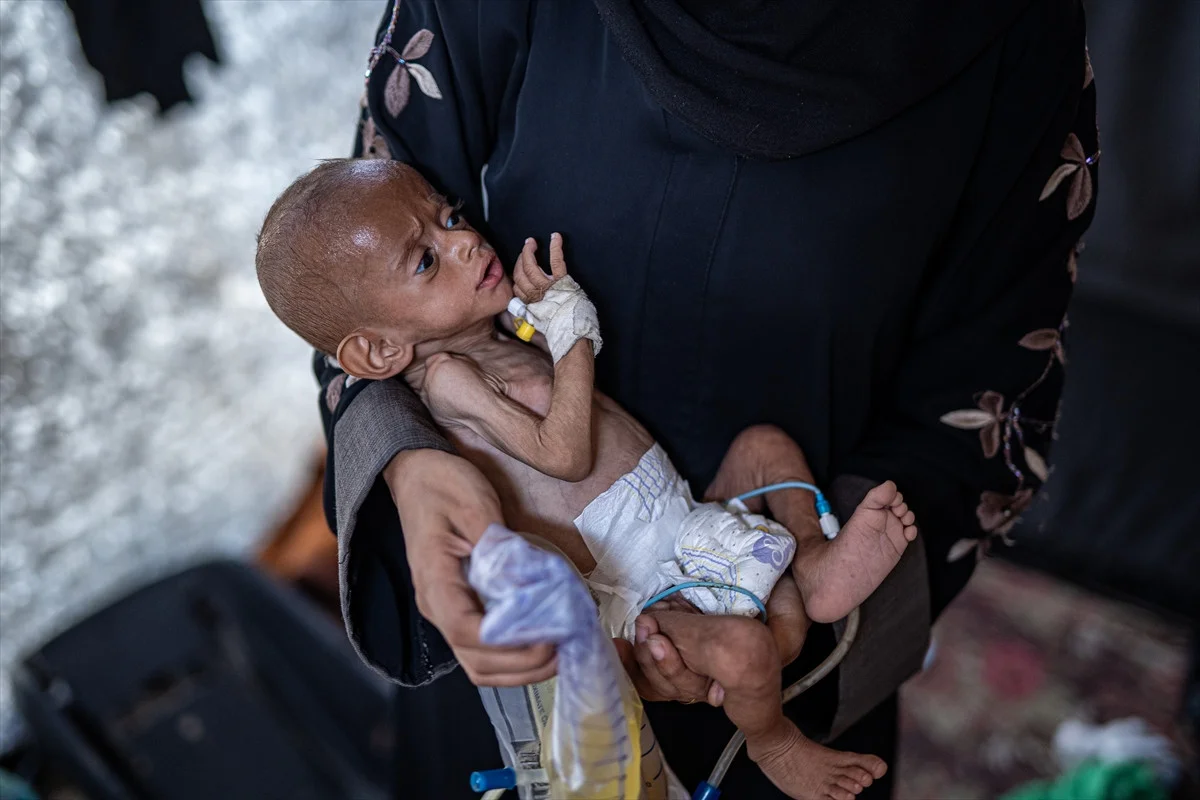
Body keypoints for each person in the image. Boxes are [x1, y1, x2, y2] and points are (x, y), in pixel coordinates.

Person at [313, 0, 1097, 796]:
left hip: (794, 635)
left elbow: (992, 400)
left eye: (454, 222)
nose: (461, 241)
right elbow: (353, 261)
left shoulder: (1010, 33)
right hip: (532, 625)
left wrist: (788, 624)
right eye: (434, 247)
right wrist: (409, 468)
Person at [258, 157, 930, 796]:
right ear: (379, 348)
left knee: (764, 446)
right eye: (427, 260)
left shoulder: (492, 335)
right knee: (749, 652)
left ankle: (809, 563)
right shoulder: (453, 379)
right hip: (643, 583)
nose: (464, 242)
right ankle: (773, 740)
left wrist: (537, 316)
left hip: (681, 515)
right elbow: (564, 455)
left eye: (451, 216)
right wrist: (573, 332)